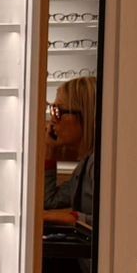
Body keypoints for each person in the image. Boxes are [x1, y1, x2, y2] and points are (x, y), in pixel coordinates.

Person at [43, 75, 98, 227]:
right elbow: (49, 202)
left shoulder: (97, 164)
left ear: (85, 115)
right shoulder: (86, 163)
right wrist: (50, 150)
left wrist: (73, 217)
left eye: (59, 111)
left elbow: (111, 222)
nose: (53, 120)